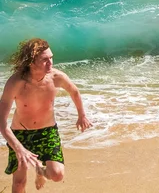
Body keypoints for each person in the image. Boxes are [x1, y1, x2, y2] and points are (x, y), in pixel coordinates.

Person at [0, 38, 92, 192]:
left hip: (48, 132)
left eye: (51, 58)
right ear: (31, 61)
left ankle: (40, 171)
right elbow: (2, 124)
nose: (50, 63)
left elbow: (74, 91)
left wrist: (81, 115)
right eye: (44, 60)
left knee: (57, 175)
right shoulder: (16, 83)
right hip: (21, 134)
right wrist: (19, 149)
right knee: (19, 183)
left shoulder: (56, 77)